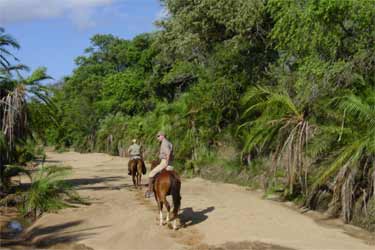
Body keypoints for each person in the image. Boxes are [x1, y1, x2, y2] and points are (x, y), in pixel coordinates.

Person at [145, 131, 173, 198]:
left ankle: (150, 191)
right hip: (171, 163)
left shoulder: (164, 143)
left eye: (158, 136)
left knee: (151, 174)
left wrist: (166, 163)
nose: (157, 138)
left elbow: (168, 153)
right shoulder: (169, 142)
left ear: (162, 136)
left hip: (164, 162)